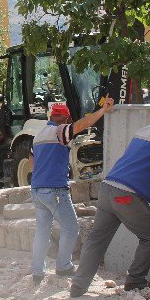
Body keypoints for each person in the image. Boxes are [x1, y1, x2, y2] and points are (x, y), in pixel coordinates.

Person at [70, 111, 150, 298]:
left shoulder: (142, 133)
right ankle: (135, 281)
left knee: (95, 241)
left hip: (107, 189)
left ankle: (77, 287)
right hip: (126, 195)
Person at [31, 98, 115, 284]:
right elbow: (82, 124)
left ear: (51, 116)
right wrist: (102, 111)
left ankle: (37, 272)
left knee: (42, 231)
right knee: (71, 228)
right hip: (55, 190)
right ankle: (63, 266)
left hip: (37, 190)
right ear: (65, 119)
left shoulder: (38, 136)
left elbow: (33, 163)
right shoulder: (60, 131)